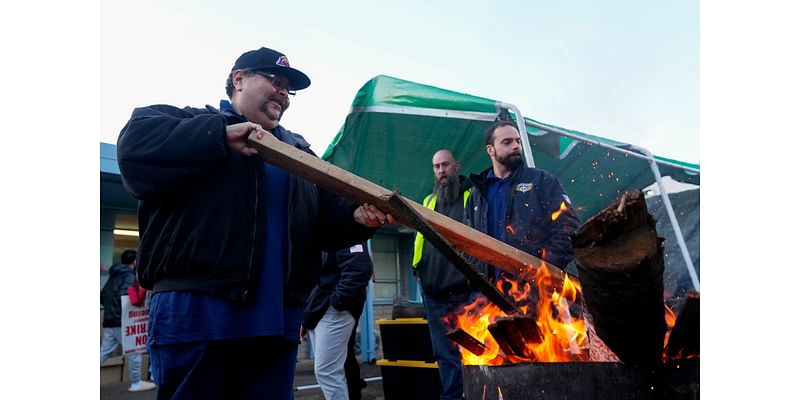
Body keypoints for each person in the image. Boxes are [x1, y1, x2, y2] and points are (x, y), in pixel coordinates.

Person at [116, 46, 393, 400]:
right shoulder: (188, 123)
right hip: (199, 314)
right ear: (238, 79)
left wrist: (357, 216)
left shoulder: (300, 154)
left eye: (288, 88)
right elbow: (134, 145)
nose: (282, 92)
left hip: (276, 321)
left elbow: (326, 219)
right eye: (274, 80)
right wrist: (219, 134)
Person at [464, 121, 580, 284]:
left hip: (535, 291)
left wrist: (544, 267)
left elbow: (569, 227)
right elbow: (466, 241)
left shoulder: (542, 181)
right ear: (490, 149)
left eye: (518, 141)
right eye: (507, 142)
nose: (516, 146)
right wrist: (476, 278)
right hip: (488, 294)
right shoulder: (476, 195)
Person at [411, 149, 478, 400]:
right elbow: (420, 239)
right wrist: (416, 269)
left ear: (456, 166)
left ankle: (475, 394)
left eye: (445, 165)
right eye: (436, 167)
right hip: (433, 292)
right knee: (445, 354)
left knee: (472, 350)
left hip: (465, 291)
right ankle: (452, 397)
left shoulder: (472, 196)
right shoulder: (429, 201)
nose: (441, 171)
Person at [302, 242, 373, 400]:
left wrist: (337, 303)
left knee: (327, 371)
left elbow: (359, 269)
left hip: (333, 310)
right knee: (335, 370)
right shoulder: (318, 231)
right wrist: (306, 318)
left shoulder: (346, 229)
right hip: (318, 310)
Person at [100, 249, 157, 392]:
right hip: (122, 320)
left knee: (104, 351)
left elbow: (102, 296)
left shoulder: (114, 276)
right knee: (134, 351)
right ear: (135, 262)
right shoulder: (129, 276)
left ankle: (137, 382)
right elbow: (127, 297)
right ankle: (136, 382)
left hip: (110, 319)